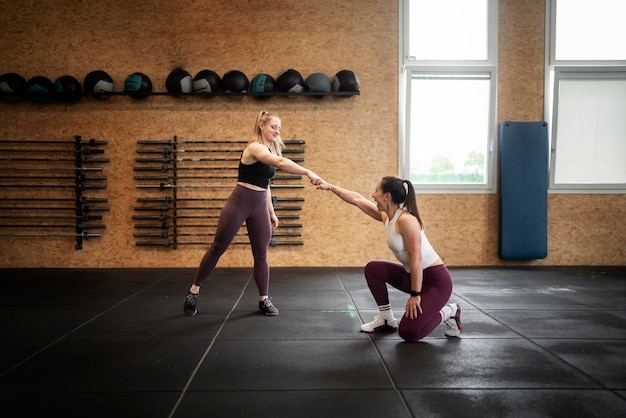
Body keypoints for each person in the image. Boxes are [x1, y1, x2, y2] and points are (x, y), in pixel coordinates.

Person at [184, 110, 322, 316]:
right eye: (273, 126)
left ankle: (264, 300)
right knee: (217, 247)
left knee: (261, 254)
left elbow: (265, 184)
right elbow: (281, 163)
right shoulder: (254, 147)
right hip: (240, 202)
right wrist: (308, 172)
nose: (277, 131)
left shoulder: (270, 149)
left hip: (259, 206)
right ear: (262, 126)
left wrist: (271, 212)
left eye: (279, 128)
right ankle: (194, 291)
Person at [317, 176, 462, 342]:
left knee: (410, 333)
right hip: (413, 275)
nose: (373, 194)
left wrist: (415, 294)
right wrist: (330, 187)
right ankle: (386, 318)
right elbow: (357, 199)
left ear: (387, 196)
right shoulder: (387, 217)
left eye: (376, 191)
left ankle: (451, 311)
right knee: (373, 268)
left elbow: (417, 258)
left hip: (436, 281)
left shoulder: (407, 220)